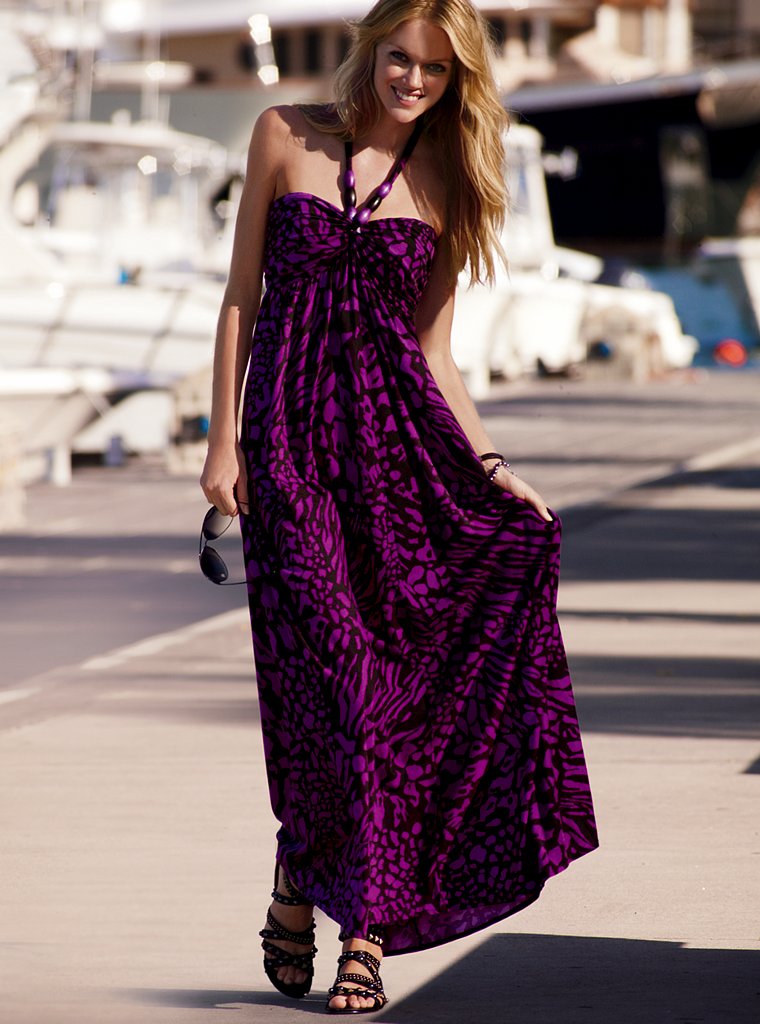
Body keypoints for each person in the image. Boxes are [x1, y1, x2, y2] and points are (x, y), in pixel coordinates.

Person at [200, 0, 599, 1013]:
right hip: (288, 454)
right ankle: (303, 869)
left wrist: (493, 467)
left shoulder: (451, 183)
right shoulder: (283, 135)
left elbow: (433, 354)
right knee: (322, 688)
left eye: (433, 67)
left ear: (456, 79)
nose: (411, 79)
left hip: (399, 464)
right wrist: (221, 442)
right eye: (398, 57)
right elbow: (242, 295)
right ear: (370, 49)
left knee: (379, 700)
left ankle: (361, 930)